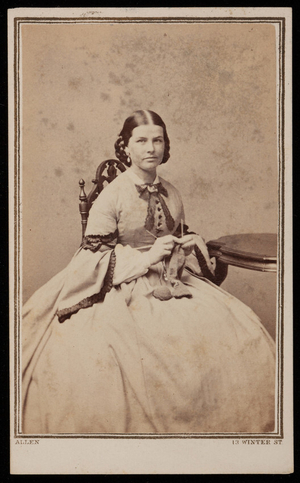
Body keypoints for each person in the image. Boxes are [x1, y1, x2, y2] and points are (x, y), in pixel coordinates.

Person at [22, 110, 275, 434]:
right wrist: (147, 257)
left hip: (172, 277)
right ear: (126, 147)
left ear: (166, 146)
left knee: (238, 333)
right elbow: (91, 257)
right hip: (121, 284)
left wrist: (183, 244)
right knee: (124, 355)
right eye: (141, 141)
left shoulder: (172, 191)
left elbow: (179, 229)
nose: (150, 148)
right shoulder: (112, 195)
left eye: (158, 140)